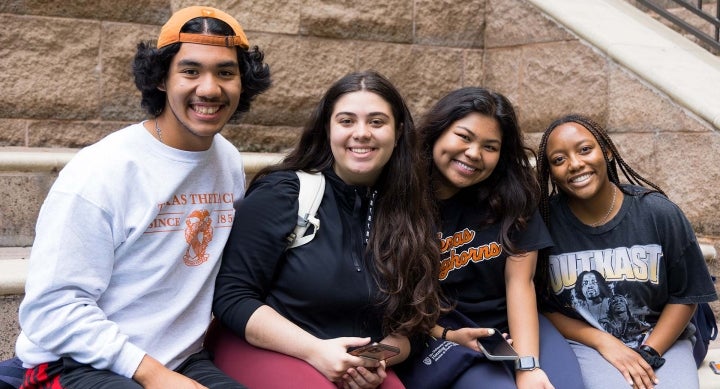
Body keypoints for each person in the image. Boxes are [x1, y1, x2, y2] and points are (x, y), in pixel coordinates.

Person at [13, 6, 271, 389]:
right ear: (162, 79)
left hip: (180, 359)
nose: (209, 88)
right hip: (76, 362)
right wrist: (154, 375)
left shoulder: (227, 160)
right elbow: (51, 308)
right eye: (190, 70)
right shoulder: (102, 170)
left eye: (226, 73)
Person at [209, 70, 442, 389]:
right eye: (346, 121)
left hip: (353, 360)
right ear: (327, 129)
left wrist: (371, 361)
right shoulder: (284, 194)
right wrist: (316, 352)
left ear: (398, 132)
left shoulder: (410, 211)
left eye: (376, 122)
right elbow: (232, 295)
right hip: (263, 347)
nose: (362, 133)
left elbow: (414, 325)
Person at [395, 87, 583, 389]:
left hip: (513, 321)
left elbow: (519, 283)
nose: (473, 153)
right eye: (464, 136)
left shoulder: (512, 196)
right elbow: (395, 300)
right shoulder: (399, 199)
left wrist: (527, 364)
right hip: (443, 333)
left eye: (490, 146)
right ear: (438, 132)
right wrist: (445, 335)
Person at [535, 114, 718, 389]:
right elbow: (542, 306)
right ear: (550, 171)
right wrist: (603, 341)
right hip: (585, 342)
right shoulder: (546, 223)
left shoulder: (658, 213)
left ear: (607, 151)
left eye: (585, 149)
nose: (575, 164)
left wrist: (650, 352)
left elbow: (685, 295)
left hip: (662, 340)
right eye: (559, 160)